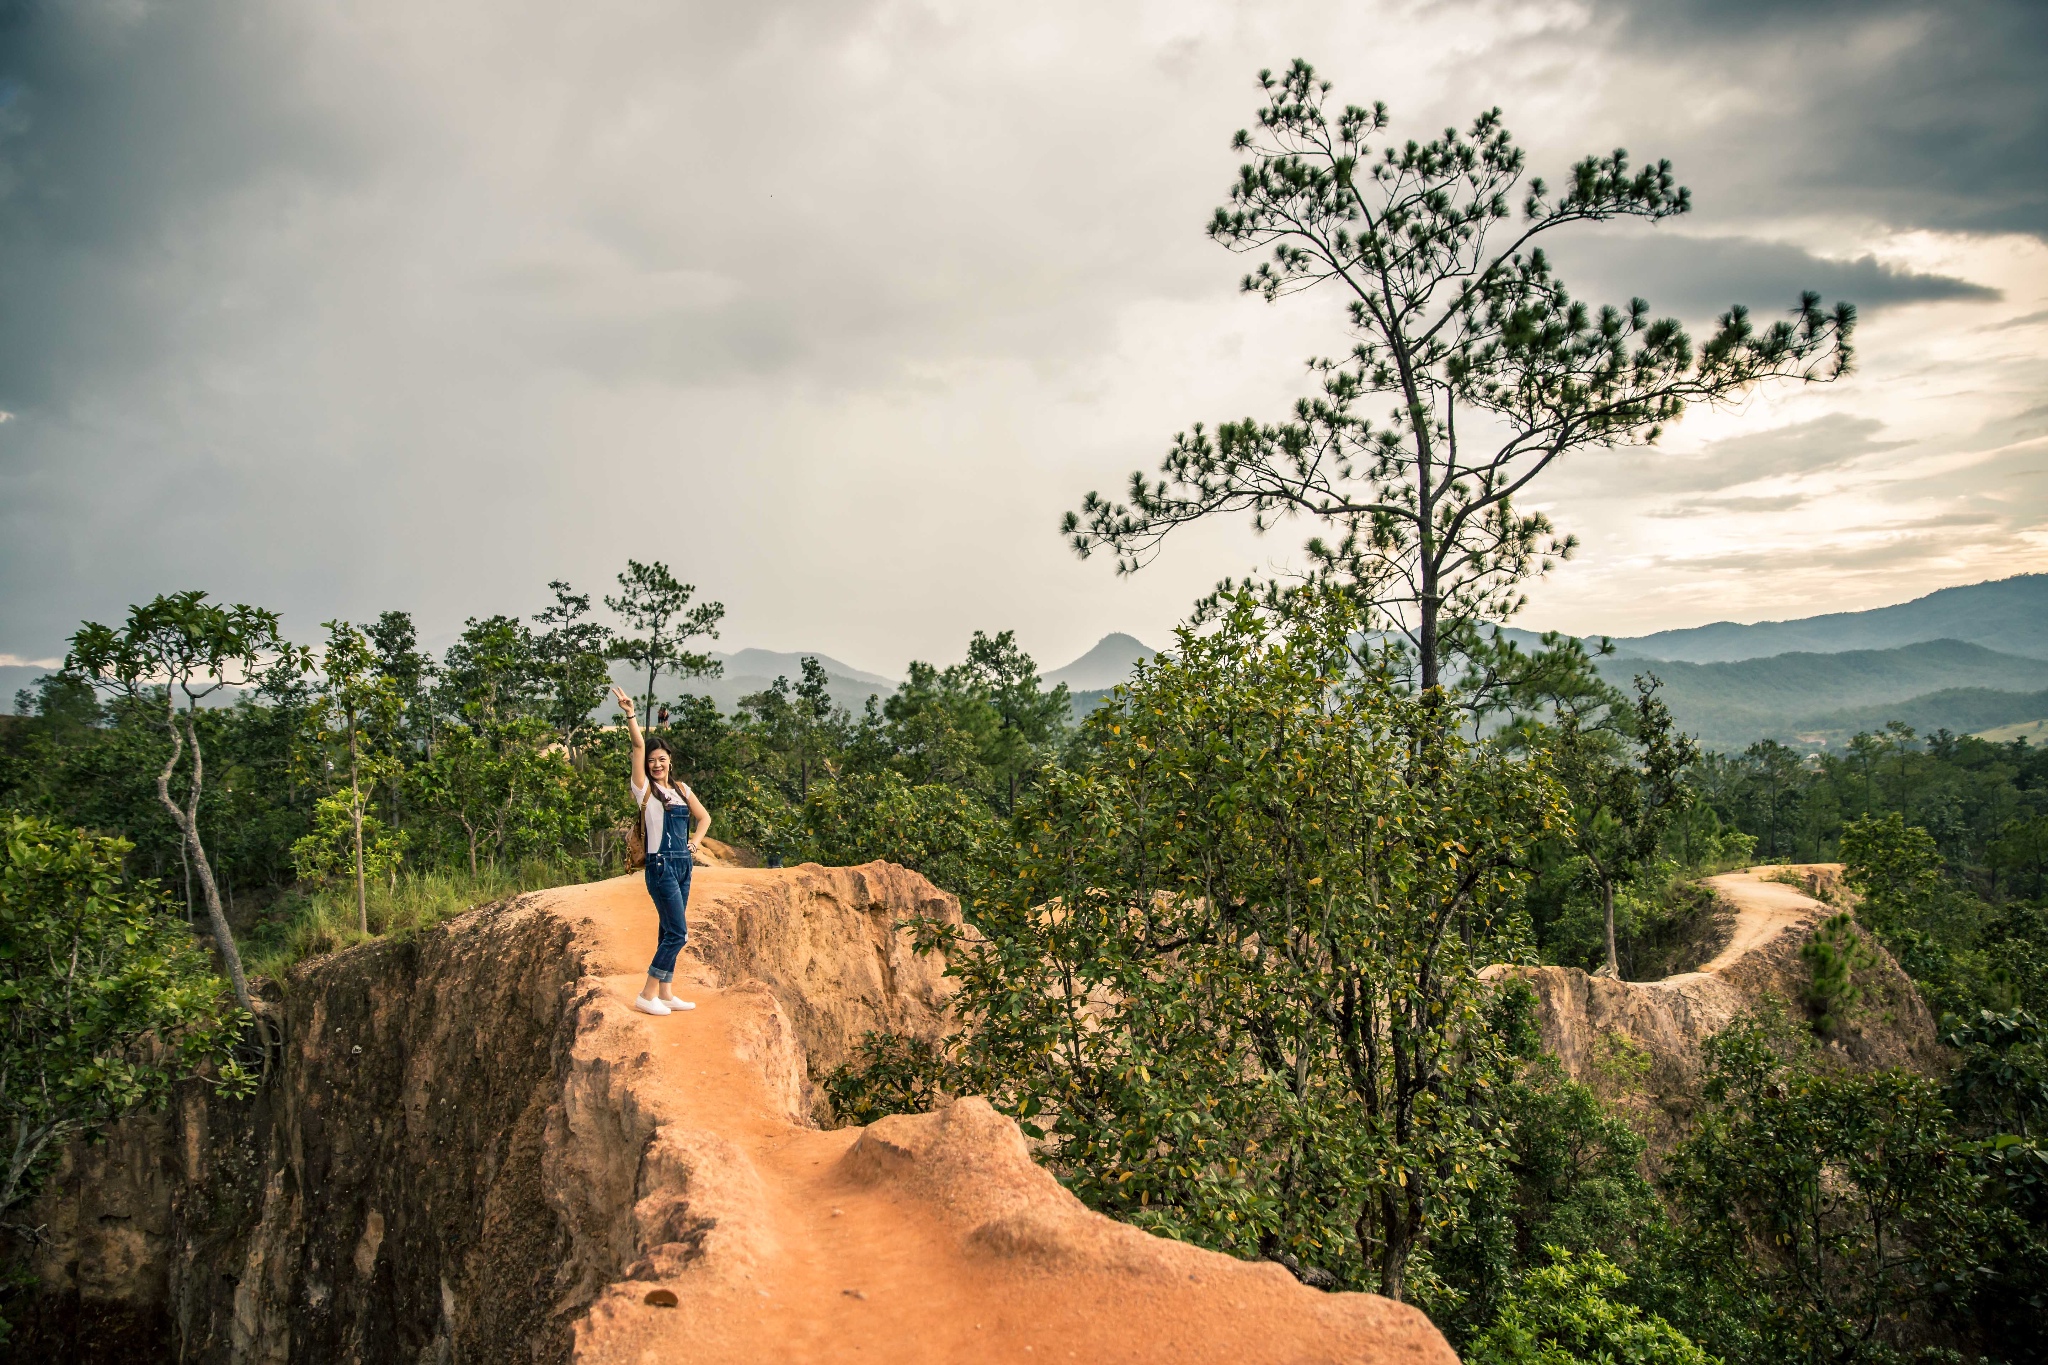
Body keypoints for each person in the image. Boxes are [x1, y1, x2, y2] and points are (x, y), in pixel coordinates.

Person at [614, 685, 711, 1016]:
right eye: (652, 761)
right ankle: (647, 993)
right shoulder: (644, 790)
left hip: (685, 865)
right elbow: (639, 744)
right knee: (678, 932)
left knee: (668, 929)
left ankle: (667, 993)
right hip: (660, 867)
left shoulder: (681, 789)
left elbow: (704, 818)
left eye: (662, 759)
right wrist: (630, 713)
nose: (656, 764)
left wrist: (695, 843)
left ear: (670, 762)